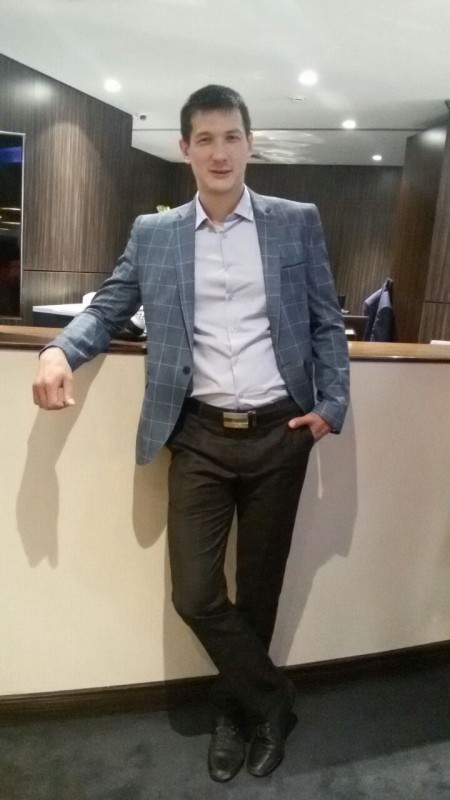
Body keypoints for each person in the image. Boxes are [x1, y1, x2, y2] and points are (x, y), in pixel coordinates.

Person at [33, 85, 350, 782]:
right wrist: (59, 351)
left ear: (250, 143)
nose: (219, 152)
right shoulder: (156, 234)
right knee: (197, 594)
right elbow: (110, 305)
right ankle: (273, 700)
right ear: (185, 149)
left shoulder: (295, 222)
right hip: (199, 434)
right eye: (205, 139)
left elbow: (326, 318)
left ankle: (236, 714)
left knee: (259, 589)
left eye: (231, 137)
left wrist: (332, 404)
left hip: (281, 432)